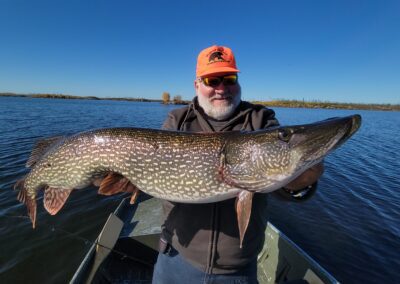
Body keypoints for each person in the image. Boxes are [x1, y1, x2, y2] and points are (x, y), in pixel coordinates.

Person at [152, 45, 324, 284]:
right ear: (197, 85)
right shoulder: (177, 121)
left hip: (237, 270)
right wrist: (110, 178)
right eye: (212, 80)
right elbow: (146, 176)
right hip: (177, 257)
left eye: (229, 78)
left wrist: (300, 184)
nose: (221, 89)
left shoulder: (261, 120)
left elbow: (281, 185)